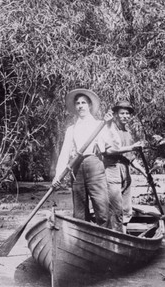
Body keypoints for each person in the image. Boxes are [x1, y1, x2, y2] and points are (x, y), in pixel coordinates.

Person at [52, 89, 111, 227]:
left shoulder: (99, 124)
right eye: (77, 103)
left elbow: (108, 144)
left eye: (83, 102)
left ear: (89, 105)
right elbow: (64, 153)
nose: (80, 106)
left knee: (101, 208)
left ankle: (108, 240)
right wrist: (57, 175)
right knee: (79, 212)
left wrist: (106, 124)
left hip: (94, 165)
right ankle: (81, 241)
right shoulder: (71, 129)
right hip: (76, 168)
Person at [104, 100, 146, 232]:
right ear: (115, 114)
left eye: (127, 114)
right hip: (112, 168)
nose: (125, 116)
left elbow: (131, 158)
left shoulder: (127, 132)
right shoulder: (109, 129)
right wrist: (132, 147)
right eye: (122, 113)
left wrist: (145, 173)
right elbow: (109, 150)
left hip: (125, 171)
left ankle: (124, 234)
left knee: (127, 208)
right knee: (116, 207)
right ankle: (116, 235)